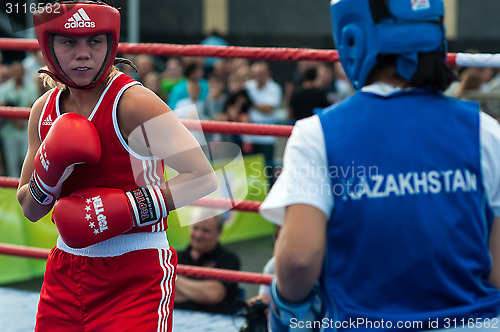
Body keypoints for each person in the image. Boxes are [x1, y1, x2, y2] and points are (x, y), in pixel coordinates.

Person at [260, 0, 500, 331]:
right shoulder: (485, 130)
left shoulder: (318, 134)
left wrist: (287, 313)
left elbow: (299, 260)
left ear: (352, 37)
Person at [16, 1, 217, 331]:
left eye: (94, 41)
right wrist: (48, 175)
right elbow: (30, 208)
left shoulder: (133, 103)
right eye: (69, 42)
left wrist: (127, 208)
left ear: (110, 44)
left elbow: (203, 177)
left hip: (136, 271)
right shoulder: (43, 111)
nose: (83, 53)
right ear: (48, 46)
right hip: (65, 269)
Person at [174, 209, 240, 315]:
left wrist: (175, 279)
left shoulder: (229, 259)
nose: (198, 235)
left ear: (219, 233)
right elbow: (165, 294)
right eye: (195, 228)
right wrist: (200, 293)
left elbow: (213, 295)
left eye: (206, 231)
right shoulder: (175, 256)